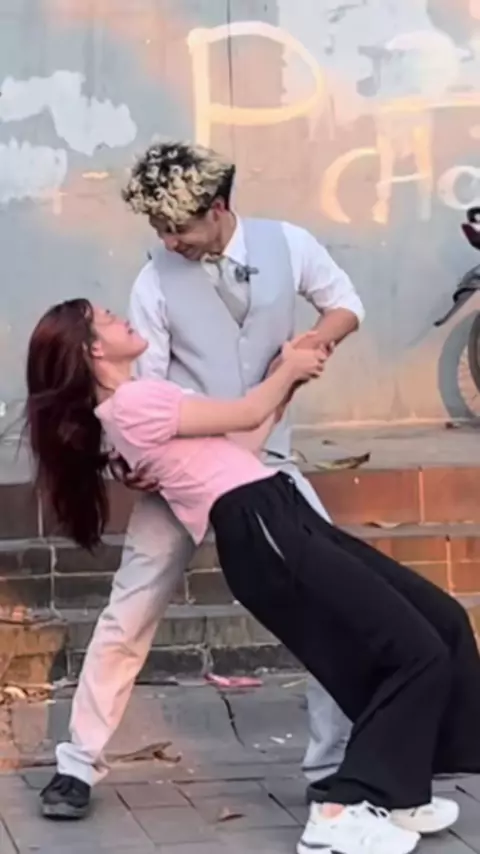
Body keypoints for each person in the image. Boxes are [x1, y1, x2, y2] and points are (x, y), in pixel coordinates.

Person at [26, 298, 480, 854]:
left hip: (277, 512)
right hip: (264, 528)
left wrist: (285, 382)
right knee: (413, 649)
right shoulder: (134, 402)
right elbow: (243, 414)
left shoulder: (139, 400)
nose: (120, 317)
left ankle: (401, 788)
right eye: (106, 318)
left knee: (441, 621)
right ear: (93, 349)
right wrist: (287, 369)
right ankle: (340, 810)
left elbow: (241, 443)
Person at [37, 140, 363, 819]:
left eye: (177, 227)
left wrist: (310, 345)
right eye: (157, 228)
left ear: (217, 208)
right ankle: (76, 765)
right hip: (181, 473)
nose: (167, 240)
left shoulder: (288, 243)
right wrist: (144, 462)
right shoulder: (153, 280)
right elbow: (145, 390)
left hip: (267, 461)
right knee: (130, 612)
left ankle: (331, 765)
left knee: (334, 601)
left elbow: (344, 303)